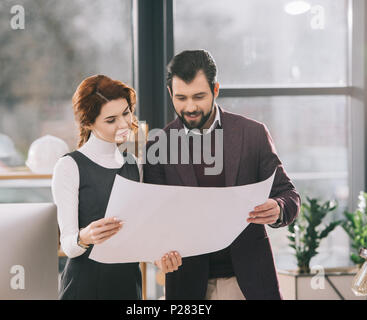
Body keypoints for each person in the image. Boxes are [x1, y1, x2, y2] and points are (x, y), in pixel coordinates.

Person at [144, 50, 301, 300]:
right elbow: (154, 218)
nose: (190, 107)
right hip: (187, 284)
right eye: (181, 98)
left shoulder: (253, 133)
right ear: (170, 93)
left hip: (249, 282)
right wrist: (158, 252)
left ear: (216, 89)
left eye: (199, 96)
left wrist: (279, 207)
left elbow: (288, 194)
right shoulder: (159, 145)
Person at [52, 74, 160, 299]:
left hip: (128, 287)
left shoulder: (134, 165)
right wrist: (86, 236)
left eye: (126, 113)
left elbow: (141, 233)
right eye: (111, 120)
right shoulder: (69, 167)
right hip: (85, 288)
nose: (123, 124)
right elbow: (68, 245)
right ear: (88, 123)